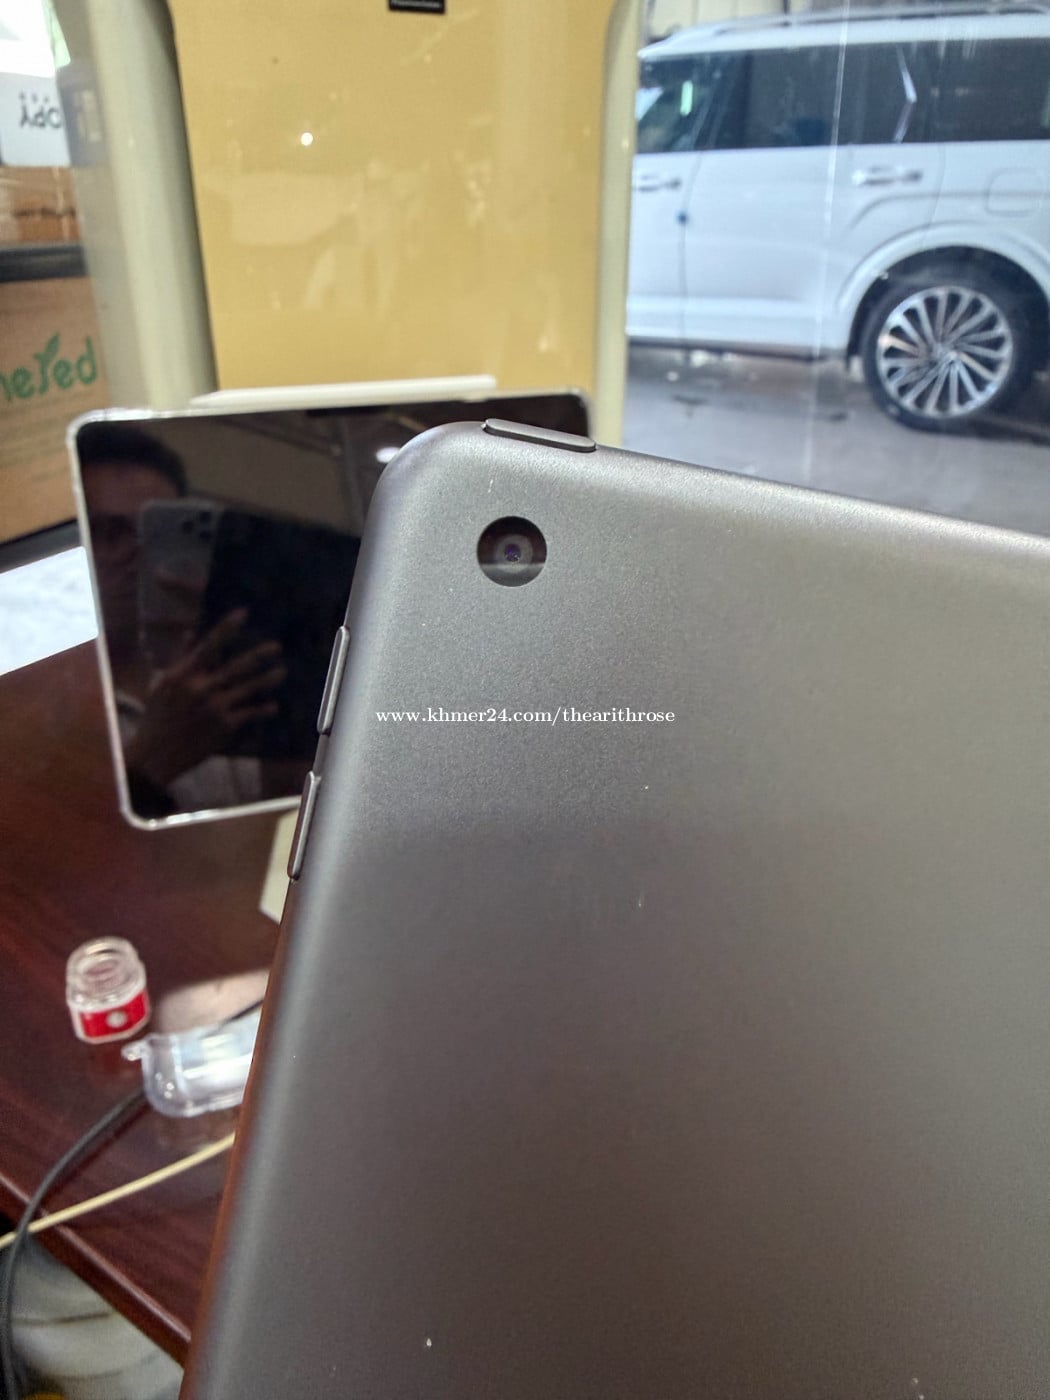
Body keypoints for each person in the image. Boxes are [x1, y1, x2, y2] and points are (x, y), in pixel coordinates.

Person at [78, 424, 287, 818]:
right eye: (109, 532)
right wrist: (148, 763)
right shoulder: (39, 710)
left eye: (160, 534)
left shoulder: (218, 681)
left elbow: (288, 819)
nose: (140, 556)